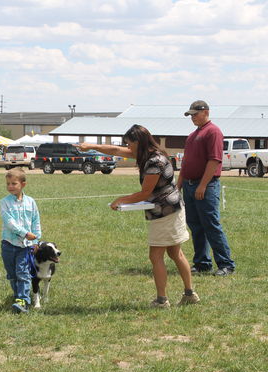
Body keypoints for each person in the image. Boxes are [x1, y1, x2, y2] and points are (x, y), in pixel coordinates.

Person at [76, 125, 199, 308]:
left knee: (156, 256)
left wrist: (121, 200)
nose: (128, 147)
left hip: (165, 213)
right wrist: (91, 146)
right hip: (172, 210)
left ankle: (162, 300)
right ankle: (189, 294)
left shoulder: (154, 161)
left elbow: (145, 193)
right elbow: (116, 150)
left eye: (130, 144)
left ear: (139, 142)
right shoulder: (147, 154)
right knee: (175, 252)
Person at [178, 100, 236, 277]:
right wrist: (178, 185)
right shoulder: (191, 136)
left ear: (206, 112)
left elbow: (214, 160)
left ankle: (225, 264)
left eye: (195, 114)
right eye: (191, 115)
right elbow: (186, 163)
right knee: (195, 225)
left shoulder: (213, 132)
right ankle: (203, 263)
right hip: (189, 185)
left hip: (205, 185)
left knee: (211, 224)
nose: (193, 117)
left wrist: (202, 185)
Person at [0, 168, 41, 313]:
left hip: (25, 246)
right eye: (8, 184)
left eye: (14, 183)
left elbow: (36, 220)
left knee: (23, 272)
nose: (10, 186)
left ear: (23, 184)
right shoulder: (4, 203)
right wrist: (25, 233)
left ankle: (23, 300)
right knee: (12, 274)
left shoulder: (31, 202)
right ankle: (18, 295)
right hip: (8, 244)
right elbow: (9, 222)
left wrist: (36, 239)